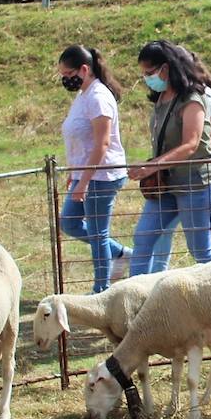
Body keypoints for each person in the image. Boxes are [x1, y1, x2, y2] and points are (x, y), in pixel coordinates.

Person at [126, 40, 211, 274]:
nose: (147, 78)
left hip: (194, 184)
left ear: (166, 68)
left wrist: (152, 167)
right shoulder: (160, 98)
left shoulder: (192, 98)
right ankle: (134, 300)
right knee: (143, 239)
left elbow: (190, 144)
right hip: (166, 184)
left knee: (201, 252)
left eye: (149, 73)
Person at [149, 49, 211, 268]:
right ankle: (155, 279)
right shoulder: (173, 96)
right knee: (163, 233)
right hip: (180, 175)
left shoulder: (203, 94)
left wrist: (194, 160)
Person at [55, 45, 130, 293]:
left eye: (68, 74)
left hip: (101, 175)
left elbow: (102, 143)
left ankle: (101, 290)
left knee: (98, 234)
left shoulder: (98, 97)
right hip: (85, 174)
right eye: (62, 75)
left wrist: (84, 182)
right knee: (69, 222)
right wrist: (74, 173)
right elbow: (80, 138)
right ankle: (121, 253)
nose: (65, 79)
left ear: (84, 70)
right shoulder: (83, 95)